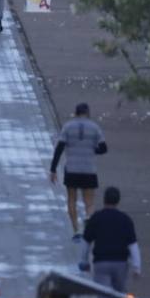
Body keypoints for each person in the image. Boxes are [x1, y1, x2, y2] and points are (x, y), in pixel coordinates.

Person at [49, 102, 109, 239]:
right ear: (88, 113)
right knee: (89, 202)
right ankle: (88, 216)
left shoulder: (68, 127)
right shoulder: (94, 128)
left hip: (72, 169)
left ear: (75, 113)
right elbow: (104, 148)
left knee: (71, 199)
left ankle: (76, 230)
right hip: (89, 169)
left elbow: (59, 148)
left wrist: (53, 169)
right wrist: (92, 149)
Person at [79, 186, 142, 293]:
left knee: (103, 295)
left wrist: (84, 262)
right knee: (120, 296)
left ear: (104, 199)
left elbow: (86, 242)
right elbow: (133, 245)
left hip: (101, 262)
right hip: (120, 263)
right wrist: (137, 266)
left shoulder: (96, 218)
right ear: (118, 200)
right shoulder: (125, 220)